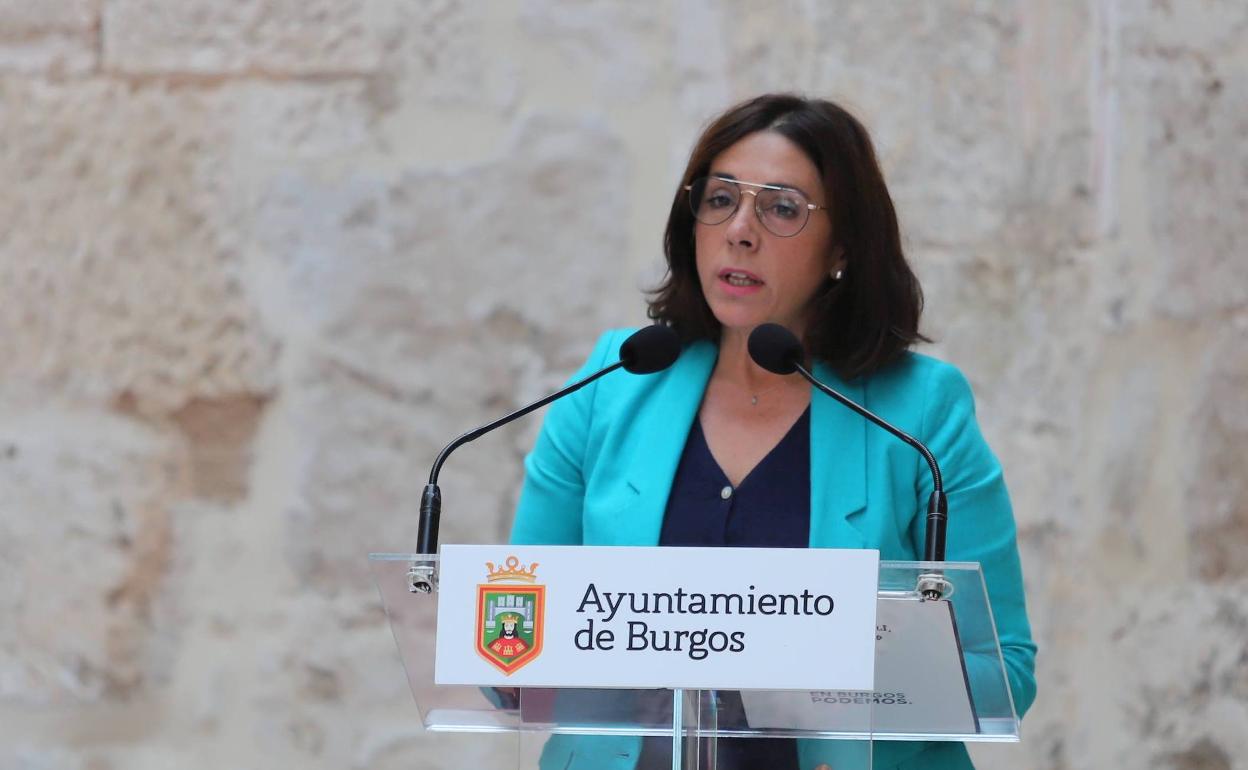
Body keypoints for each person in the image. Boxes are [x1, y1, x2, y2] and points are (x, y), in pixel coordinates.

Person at [510, 93, 1037, 770]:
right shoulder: (615, 383)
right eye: (721, 199)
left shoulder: (920, 413)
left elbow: (1006, 673)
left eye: (782, 208)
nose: (741, 229)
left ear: (842, 245)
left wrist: (828, 663)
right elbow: (518, 637)